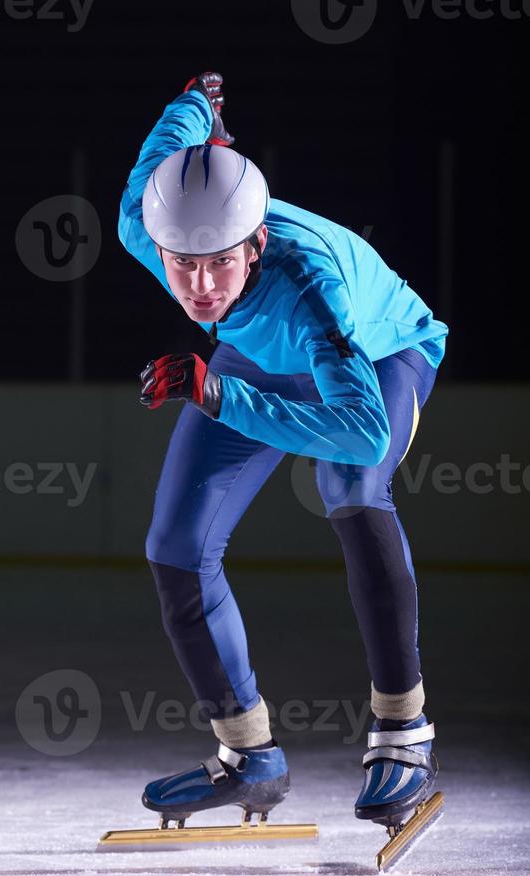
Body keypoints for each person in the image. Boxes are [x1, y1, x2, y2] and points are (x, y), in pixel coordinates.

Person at [118, 72, 446, 831]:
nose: (200, 289)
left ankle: (404, 729)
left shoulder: (308, 285)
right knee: (175, 544)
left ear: (257, 241)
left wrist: (218, 395)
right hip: (256, 351)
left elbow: (361, 431)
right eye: (182, 266)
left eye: (221, 264)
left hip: (378, 350)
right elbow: (166, 141)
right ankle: (248, 757)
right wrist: (201, 101)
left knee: (350, 485)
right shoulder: (146, 220)